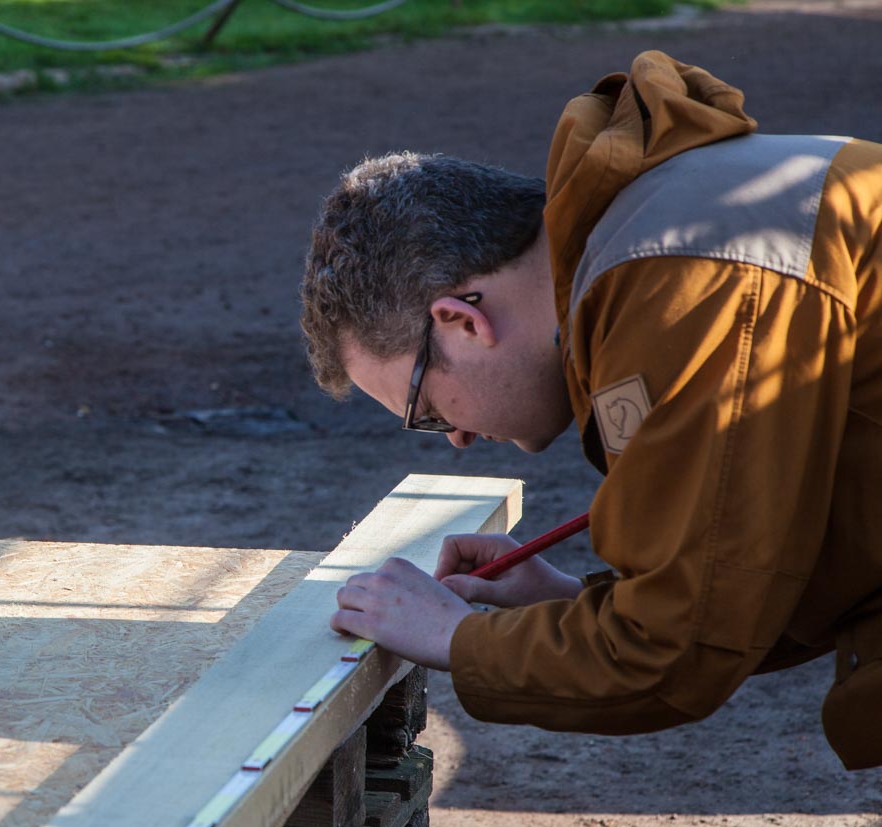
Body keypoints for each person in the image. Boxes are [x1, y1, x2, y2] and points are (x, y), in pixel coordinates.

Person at [299, 50, 882, 772]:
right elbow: (749, 580)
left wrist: (455, 638)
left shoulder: (684, 281)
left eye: (423, 406)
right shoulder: (660, 233)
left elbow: (678, 652)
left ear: (460, 321)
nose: (454, 437)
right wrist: (578, 602)